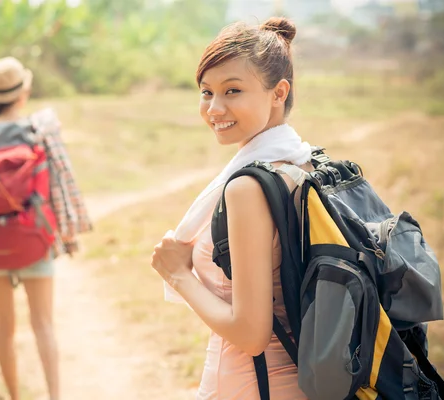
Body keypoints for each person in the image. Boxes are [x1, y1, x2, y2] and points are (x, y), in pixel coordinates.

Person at [151, 18, 312, 399]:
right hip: (303, 379)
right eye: (206, 92)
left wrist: (178, 274)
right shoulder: (302, 162)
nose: (214, 108)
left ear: (279, 92)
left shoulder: (246, 188)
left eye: (232, 90)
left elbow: (250, 334)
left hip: (249, 383)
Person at [0, 56, 92, 400]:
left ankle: (15, 397)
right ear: (24, 92)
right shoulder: (39, 129)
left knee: (4, 328)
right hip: (34, 237)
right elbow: (56, 187)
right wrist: (67, 234)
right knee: (43, 325)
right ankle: (54, 396)